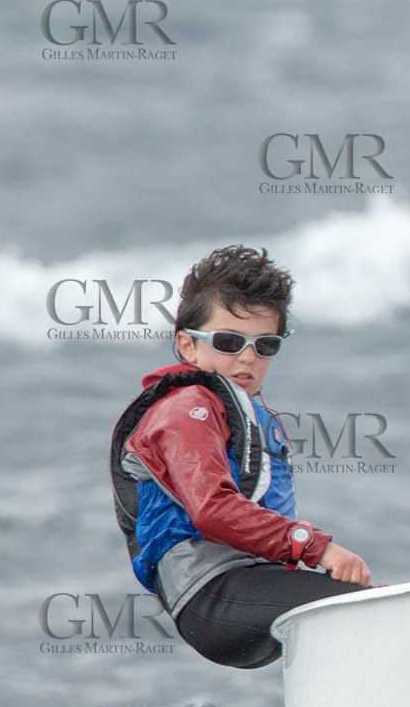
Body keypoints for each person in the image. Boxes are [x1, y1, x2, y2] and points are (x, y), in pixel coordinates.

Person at [110, 245, 372, 667]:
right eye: (230, 341)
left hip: (248, 584)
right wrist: (317, 549)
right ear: (187, 346)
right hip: (211, 596)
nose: (248, 356)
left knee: (367, 617)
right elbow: (212, 510)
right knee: (376, 611)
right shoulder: (186, 409)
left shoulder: (248, 416)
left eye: (264, 345)